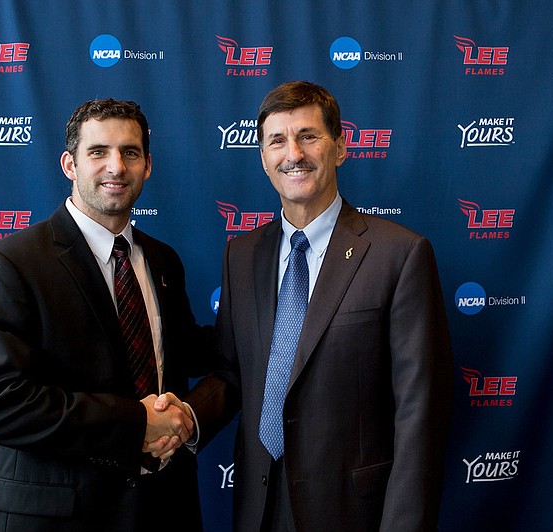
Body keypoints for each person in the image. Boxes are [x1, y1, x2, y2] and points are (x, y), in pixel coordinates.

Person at [180, 81, 454, 531]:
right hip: (258, 506)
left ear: (340, 148)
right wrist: (186, 419)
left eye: (308, 136)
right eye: (277, 140)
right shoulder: (242, 255)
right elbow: (232, 370)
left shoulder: (399, 255)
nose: (294, 153)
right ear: (264, 159)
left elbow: (420, 410)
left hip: (353, 512)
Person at [0, 98, 210, 531]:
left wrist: (187, 415)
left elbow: (189, 358)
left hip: (163, 509)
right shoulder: (10, 264)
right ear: (69, 164)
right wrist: (138, 423)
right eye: (98, 152)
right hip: (58, 517)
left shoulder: (164, 260)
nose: (115, 166)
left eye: (130, 152)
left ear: (147, 165)